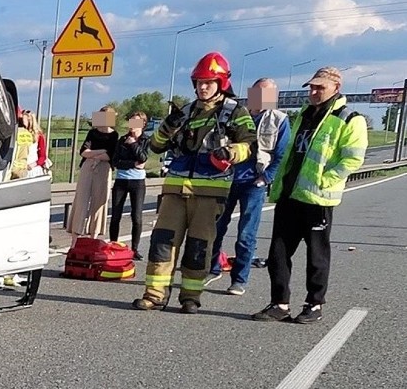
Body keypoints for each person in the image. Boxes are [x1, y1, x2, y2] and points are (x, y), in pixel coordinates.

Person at [133, 52, 256, 314]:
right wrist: (168, 125)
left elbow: (250, 146)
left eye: (209, 82)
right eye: (199, 82)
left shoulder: (236, 112)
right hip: (175, 190)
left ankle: (190, 297)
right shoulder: (185, 112)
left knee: (199, 246)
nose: (202, 87)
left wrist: (231, 152)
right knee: (162, 242)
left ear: (221, 83)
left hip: (210, 192)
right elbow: (155, 146)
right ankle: (154, 294)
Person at [253, 67, 368, 324]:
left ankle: (314, 305)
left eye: (320, 88)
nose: (314, 92)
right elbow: (292, 153)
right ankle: (279, 303)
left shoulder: (350, 118)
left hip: (318, 199)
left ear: (336, 88)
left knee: (317, 256)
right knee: (278, 254)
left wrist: (325, 180)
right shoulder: (305, 114)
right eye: (312, 87)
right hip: (291, 194)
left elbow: (353, 159)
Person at [204, 78, 290, 295]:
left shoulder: (279, 120)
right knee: (215, 228)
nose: (261, 99)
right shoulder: (237, 114)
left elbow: (281, 155)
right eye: (258, 93)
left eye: (266, 94)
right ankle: (213, 268)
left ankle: (239, 279)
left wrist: (266, 178)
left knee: (246, 233)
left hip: (254, 183)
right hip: (228, 178)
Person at [66, 106, 118, 245]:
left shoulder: (114, 135)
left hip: (103, 168)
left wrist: (96, 155)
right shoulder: (92, 133)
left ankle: (93, 237)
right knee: (81, 200)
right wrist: (99, 152)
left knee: (99, 201)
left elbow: (110, 154)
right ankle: (75, 238)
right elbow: (83, 151)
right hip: (88, 166)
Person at [109, 111, 150, 259]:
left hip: (137, 182)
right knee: (115, 215)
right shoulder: (121, 140)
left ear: (143, 124)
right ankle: (113, 244)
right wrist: (132, 163)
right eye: (131, 121)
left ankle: (135, 249)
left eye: (136, 122)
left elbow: (143, 158)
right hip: (121, 181)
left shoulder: (146, 140)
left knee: (136, 216)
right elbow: (115, 162)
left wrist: (133, 144)